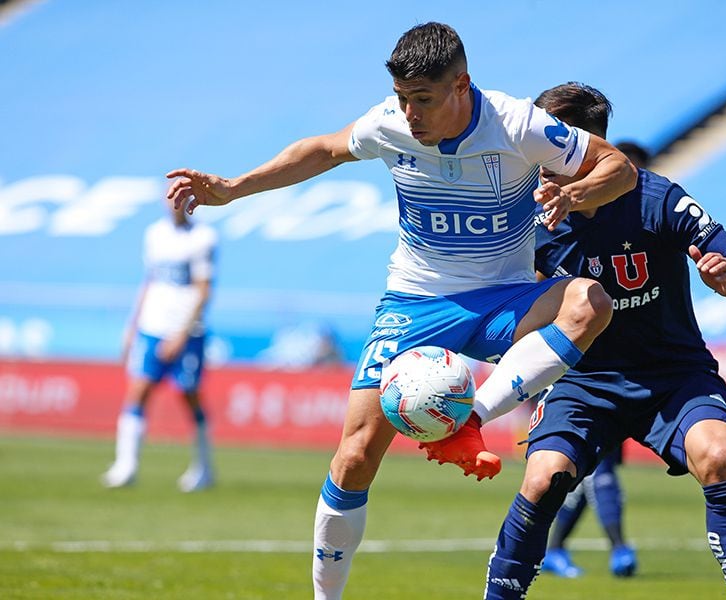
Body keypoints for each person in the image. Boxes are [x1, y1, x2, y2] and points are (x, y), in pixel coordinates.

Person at [165, 23, 637, 599]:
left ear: (462, 85)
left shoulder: (517, 123)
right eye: (402, 98)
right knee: (354, 456)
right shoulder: (389, 123)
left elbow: (620, 167)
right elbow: (324, 148)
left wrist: (576, 193)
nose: (410, 113)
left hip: (502, 298)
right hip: (415, 299)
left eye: (424, 99)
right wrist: (235, 188)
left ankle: (468, 422)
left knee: (590, 301)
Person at [483, 82, 726, 599]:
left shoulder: (656, 197)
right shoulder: (530, 217)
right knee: (543, 477)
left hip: (673, 377)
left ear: (590, 146)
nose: (539, 157)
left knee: (717, 454)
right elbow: (493, 303)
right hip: (584, 381)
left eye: (552, 143)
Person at [542, 140, 653, 580]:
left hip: (624, 369)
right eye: (626, 174)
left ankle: (554, 550)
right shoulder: (566, 228)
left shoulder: (642, 224)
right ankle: (620, 549)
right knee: (596, 466)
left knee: (587, 473)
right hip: (581, 371)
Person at [101, 192, 217, 493]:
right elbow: (149, 280)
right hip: (152, 326)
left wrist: (181, 332)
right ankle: (125, 466)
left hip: (186, 332)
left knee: (189, 394)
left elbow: (204, 290)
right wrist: (132, 324)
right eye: (170, 197)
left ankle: (203, 467)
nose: (174, 204)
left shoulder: (203, 237)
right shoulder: (154, 234)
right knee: (138, 390)